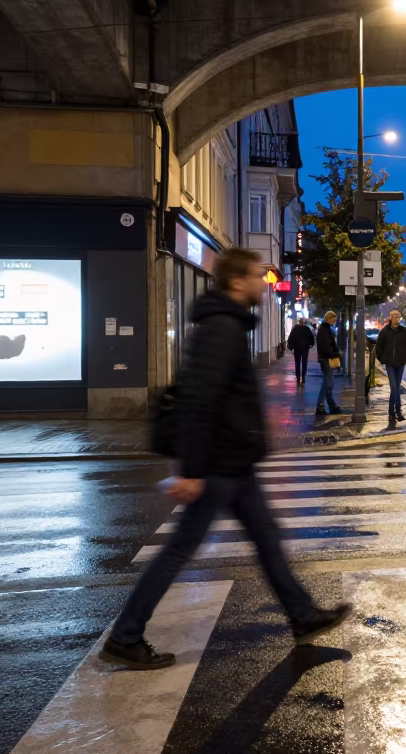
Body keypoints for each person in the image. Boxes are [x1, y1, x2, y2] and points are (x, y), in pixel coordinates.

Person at [98, 249, 351, 670]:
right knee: (181, 549)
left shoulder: (227, 325)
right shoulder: (221, 328)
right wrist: (192, 470)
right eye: (255, 276)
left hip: (233, 459)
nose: (262, 284)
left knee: (266, 538)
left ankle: (303, 616)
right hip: (217, 463)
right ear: (236, 281)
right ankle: (125, 635)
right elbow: (200, 400)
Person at [374, 310, 406, 427]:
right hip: (389, 363)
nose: (397, 318)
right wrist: (382, 359)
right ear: (391, 318)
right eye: (395, 316)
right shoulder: (385, 331)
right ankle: (398, 411)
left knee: (396, 387)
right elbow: (379, 346)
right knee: (394, 386)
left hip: (400, 362)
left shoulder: (404, 331)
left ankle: (391, 413)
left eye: (399, 316)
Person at [315, 310, 342, 416]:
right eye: (333, 318)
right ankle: (320, 405)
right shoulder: (324, 329)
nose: (334, 320)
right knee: (328, 383)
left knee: (329, 383)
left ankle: (331, 405)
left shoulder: (326, 329)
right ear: (328, 318)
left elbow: (331, 344)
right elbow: (325, 347)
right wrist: (335, 353)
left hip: (327, 358)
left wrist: (336, 351)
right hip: (326, 359)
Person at [286, 317, 314, 386]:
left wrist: (290, 346)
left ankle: (298, 377)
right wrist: (311, 344)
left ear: (299, 322)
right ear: (304, 322)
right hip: (305, 348)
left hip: (297, 348)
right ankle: (303, 377)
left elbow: (291, 337)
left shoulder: (295, 328)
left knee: (297, 362)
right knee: (304, 362)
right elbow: (311, 337)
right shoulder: (307, 329)